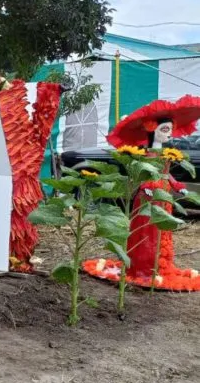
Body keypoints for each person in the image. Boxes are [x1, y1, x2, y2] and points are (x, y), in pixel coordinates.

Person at [83, 96, 200, 291]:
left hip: (163, 195)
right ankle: (143, 265)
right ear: (153, 130)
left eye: (170, 130)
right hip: (148, 194)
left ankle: (158, 264)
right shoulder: (145, 154)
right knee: (146, 228)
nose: (168, 135)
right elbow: (143, 174)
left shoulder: (166, 154)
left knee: (161, 227)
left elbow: (166, 173)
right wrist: (145, 185)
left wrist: (178, 186)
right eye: (164, 130)